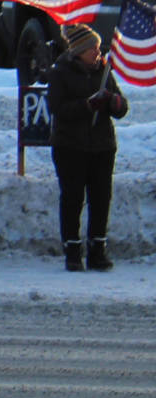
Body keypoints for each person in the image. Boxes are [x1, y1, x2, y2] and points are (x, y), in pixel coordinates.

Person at [47, 22, 129, 273]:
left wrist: (114, 102)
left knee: (101, 198)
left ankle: (98, 250)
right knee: (72, 198)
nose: (98, 52)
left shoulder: (104, 72)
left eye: (98, 47)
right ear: (79, 50)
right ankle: (72, 250)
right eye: (92, 48)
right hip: (70, 146)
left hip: (102, 146)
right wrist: (87, 105)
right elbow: (58, 110)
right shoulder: (61, 72)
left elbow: (122, 108)